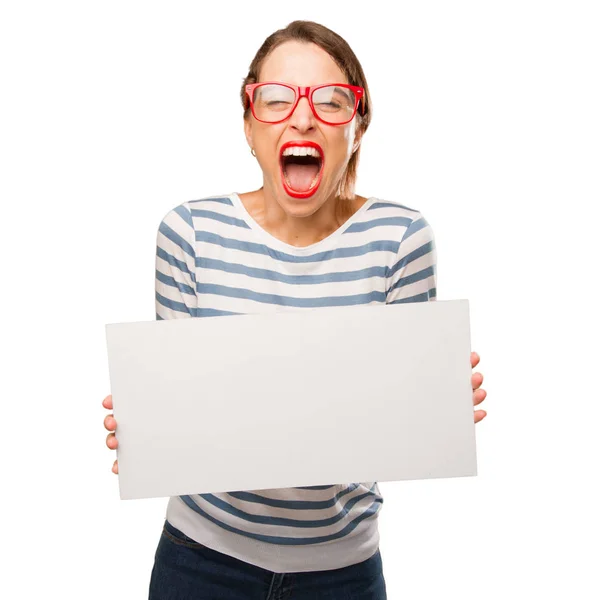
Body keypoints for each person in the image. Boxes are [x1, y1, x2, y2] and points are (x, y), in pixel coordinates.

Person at [102, 20, 488, 599]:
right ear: (249, 123)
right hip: (199, 561)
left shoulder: (400, 238)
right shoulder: (190, 232)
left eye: (331, 102)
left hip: (343, 573)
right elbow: (182, 411)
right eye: (277, 99)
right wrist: (148, 435)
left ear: (358, 127)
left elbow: (400, 425)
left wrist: (436, 408)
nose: (302, 118)